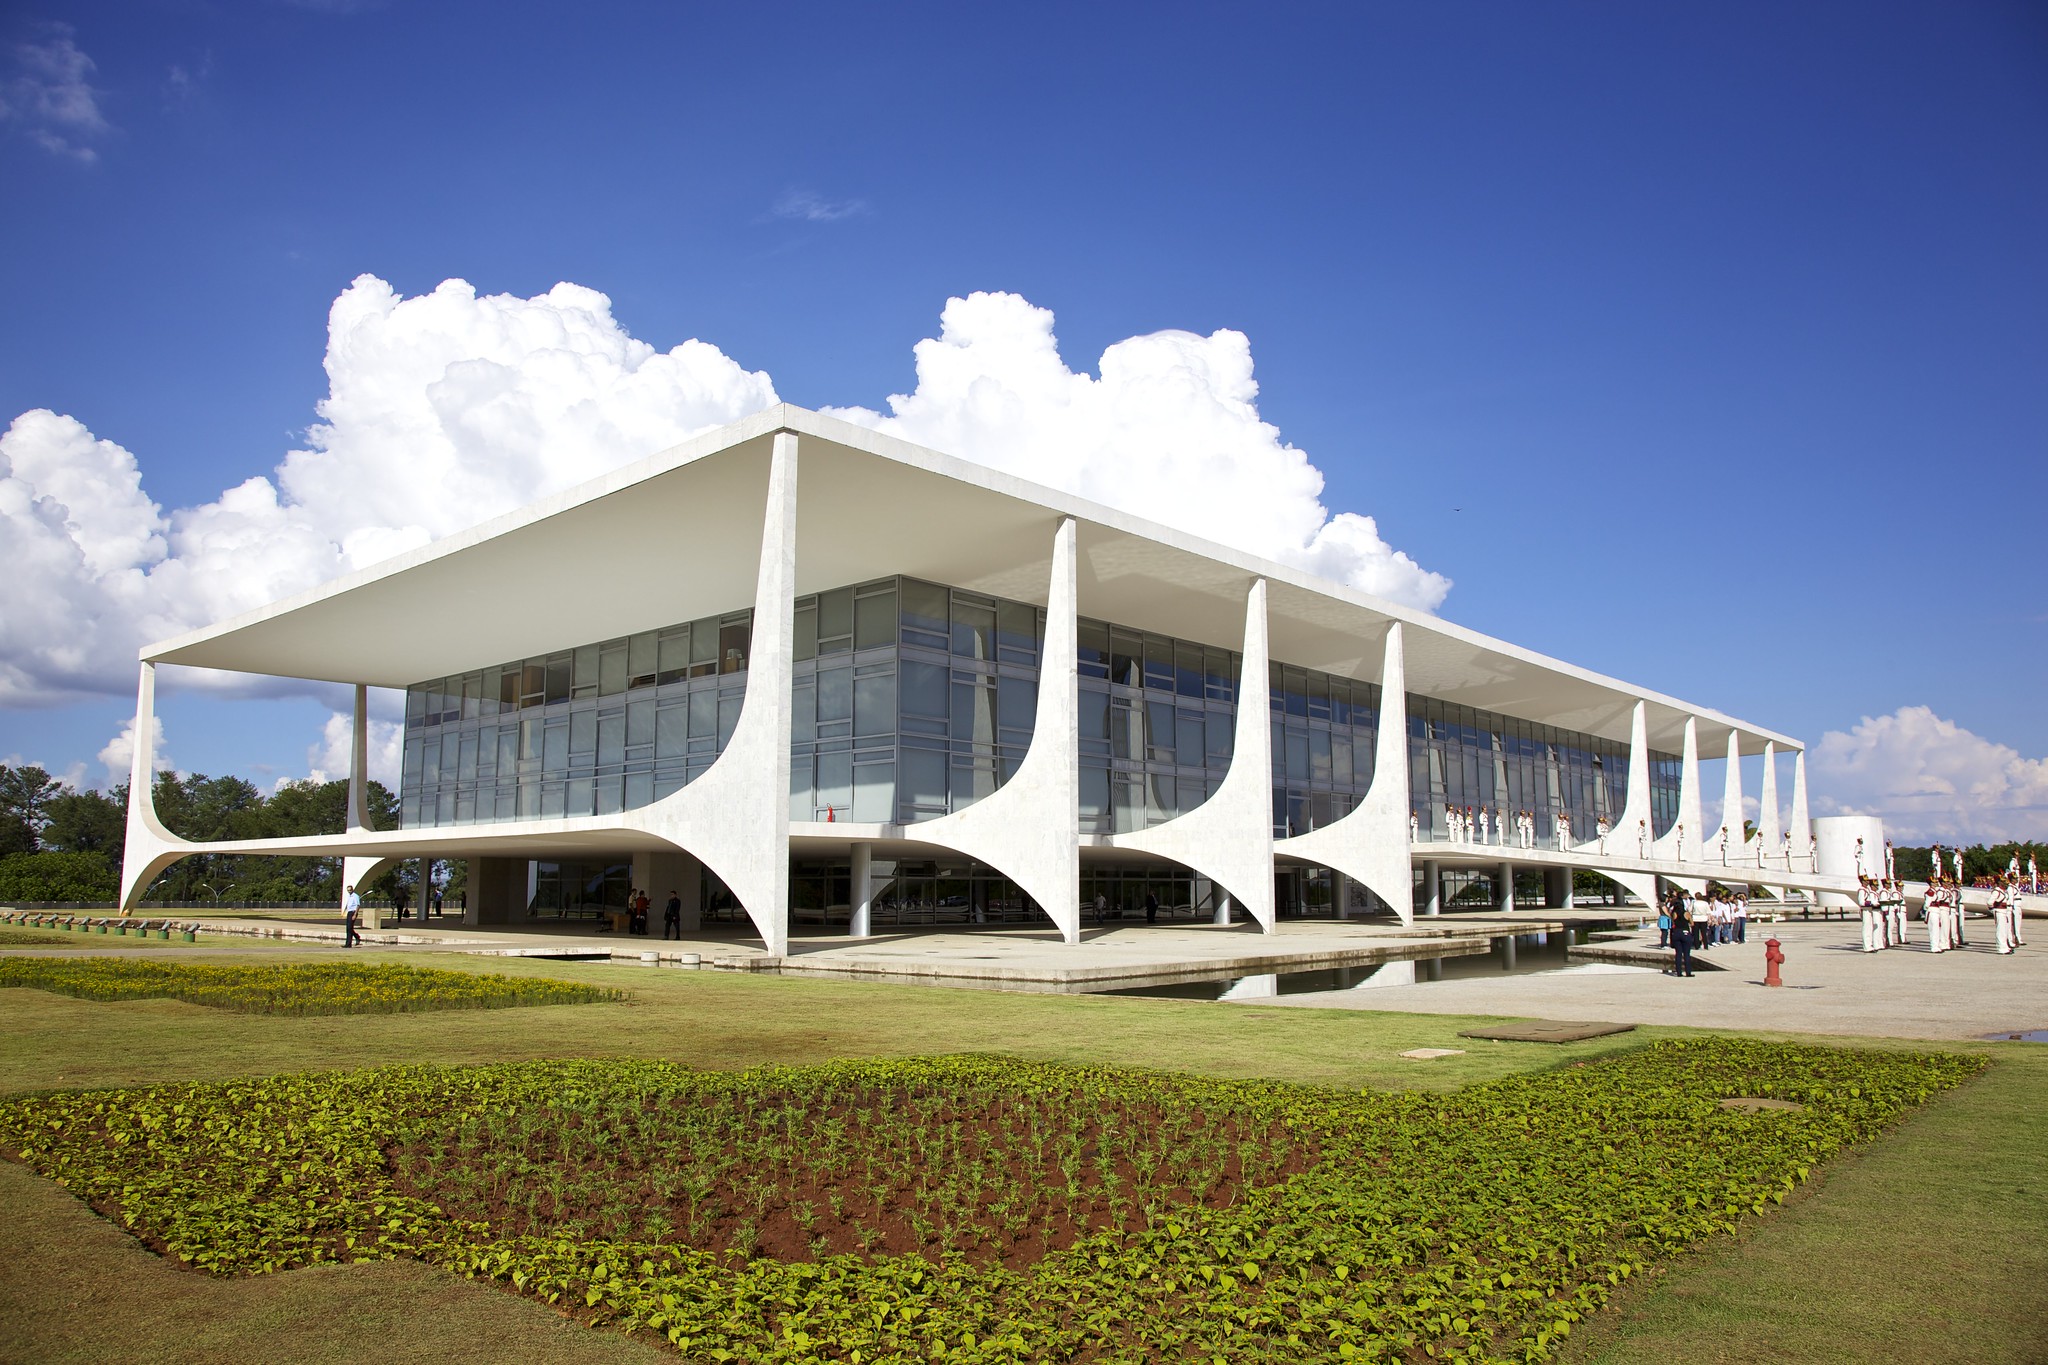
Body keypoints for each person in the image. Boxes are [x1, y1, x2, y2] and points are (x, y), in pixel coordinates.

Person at [1669, 895, 1695, 978]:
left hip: (1677, 933)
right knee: (1686, 954)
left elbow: (1673, 923)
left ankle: (1679, 972)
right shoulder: (1686, 913)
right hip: (1685, 933)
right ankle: (1688, 972)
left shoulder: (1674, 913)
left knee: (1678, 954)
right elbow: (1692, 923)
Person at [1858, 876, 1883, 953]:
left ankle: (1869, 945)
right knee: (1866, 928)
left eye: (1867, 881)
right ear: (1862, 882)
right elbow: (1861, 902)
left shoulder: (1867, 890)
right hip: (1865, 910)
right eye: (1865, 881)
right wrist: (1871, 903)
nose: (1867, 882)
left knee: (1869, 928)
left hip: (1869, 910)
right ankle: (1866, 946)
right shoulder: (1862, 890)